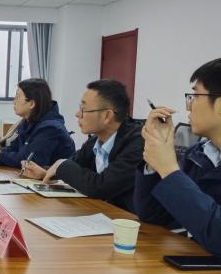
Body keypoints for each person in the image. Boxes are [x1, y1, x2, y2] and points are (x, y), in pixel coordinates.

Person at [134, 58, 221, 259]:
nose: (189, 106)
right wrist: (155, 162)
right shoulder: (199, 153)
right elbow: (152, 215)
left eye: (195, 96)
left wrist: (170, 170)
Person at [24, 80, 143, 212]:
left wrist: (60, 166)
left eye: (83, 109)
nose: (77, 114)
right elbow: (73, 164)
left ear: (107, 116)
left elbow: (101, 186)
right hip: (103, 213)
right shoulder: (96, 140)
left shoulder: (138, 143)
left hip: (131, 221)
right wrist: (45, 171)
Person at [0, 79, 74, 167]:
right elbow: (15, 148)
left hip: (56, 179)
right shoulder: (28, 121)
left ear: (32, 104)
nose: (14, 102)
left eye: (17, 97)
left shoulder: (50, 128)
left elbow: (30, 161)